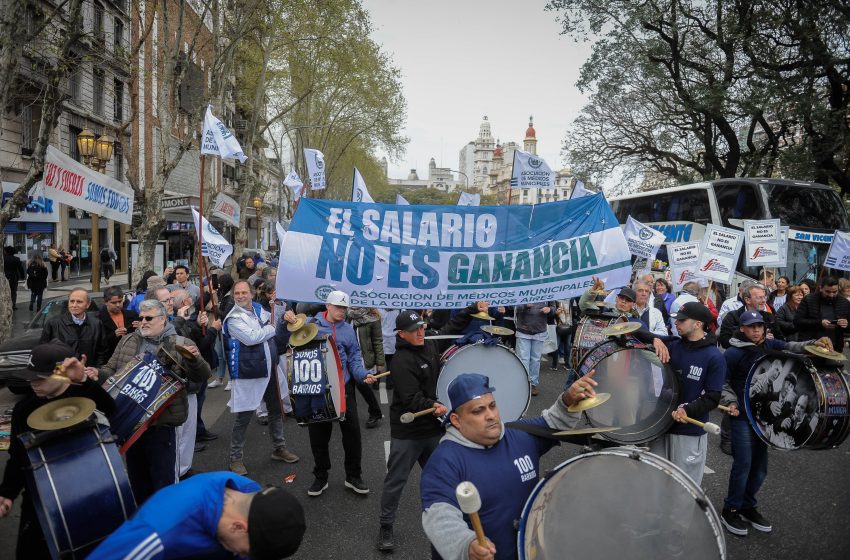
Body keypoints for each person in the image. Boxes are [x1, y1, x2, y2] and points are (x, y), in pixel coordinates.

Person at [420, 372, 593, 560]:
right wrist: (467, 545)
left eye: (492, 406)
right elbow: (439, 516)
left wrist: (568, 400)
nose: (490, 415)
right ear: (456, 420)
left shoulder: (520, 435)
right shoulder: (444, 461)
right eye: (478, 411)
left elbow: (554, 422)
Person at [376, 304, 484, 552]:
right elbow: (411, 398)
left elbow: (451, 327)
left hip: (433, 429)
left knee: (445, 475)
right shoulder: (402, 361)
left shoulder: (430, 344)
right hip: (409, 432)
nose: (420, 332)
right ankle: (386, 525)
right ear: (401, 333)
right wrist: (433, 405)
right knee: (396, 480)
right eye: (414, 330)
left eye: (421, 327)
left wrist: (471, 309)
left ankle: (463, 520)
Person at [0, 341, 116, 559]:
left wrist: (84, 380)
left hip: (88, 492)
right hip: (40, 497)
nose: (32, 382)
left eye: (40, 377)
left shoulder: (85, 395)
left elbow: (111, 410)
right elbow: (18, 455)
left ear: (62, 373)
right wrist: (7, 493)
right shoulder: (24, 409)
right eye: (30, 375)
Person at [719, 311, 828, 536]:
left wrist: (814, 343)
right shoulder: (733, 353)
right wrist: (730, 401)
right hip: (741, 416)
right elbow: (721, 381)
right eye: (752, 327)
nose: (757, 330)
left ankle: (747, 506)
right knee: (744, 465)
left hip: (763, 419)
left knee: (760, 468)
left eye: (760, 326)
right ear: (742, 329)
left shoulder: (769, 344)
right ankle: (730, 509)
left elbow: (793, 346)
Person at [95, 299, 211, 502]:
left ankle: (167, 527)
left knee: (164, 486)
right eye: (141, 318)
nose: (143, 322)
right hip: (131, 424)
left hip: (161, 425)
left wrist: (196, 360)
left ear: (163, 319)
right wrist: (95, 373)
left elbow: (201, 376)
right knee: (138, 484)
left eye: (149, 318)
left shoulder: (182, 343)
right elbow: (110, 369)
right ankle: (145, 524)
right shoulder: (128, 340)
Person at [279, 291, 377, 497]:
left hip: (344, 387)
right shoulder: (309, 324)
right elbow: (283, 340)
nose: (342, 311)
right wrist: (284, 320)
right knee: (319, 435)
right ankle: (320, 476)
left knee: (352, 435)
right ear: (328, 306)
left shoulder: (349, 330)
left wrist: (363, 375)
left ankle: (353, 476)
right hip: (318, 387)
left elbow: (354, 359)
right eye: (338, 307)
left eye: (345, 308)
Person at [88, 472, 306, 560]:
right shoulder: (156, 533)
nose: (244, 556)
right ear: (238, 527)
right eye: (246, 552)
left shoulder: (247, 490)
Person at [224, 280, 299, 476]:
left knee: (276, 411)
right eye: (237, 293)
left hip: (269, 368)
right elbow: (252, 337)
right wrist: (273, 325)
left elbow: (275, 330)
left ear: (251, 294)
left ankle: (279, 448)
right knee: (244, 416)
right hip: (249, 371)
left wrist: (280, 317)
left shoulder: (258, 309)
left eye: (244, 292)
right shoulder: (233, 318)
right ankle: (235, 458)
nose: (240, 296)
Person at [648, 302, 725, 485]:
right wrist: (655, 340)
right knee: (655, 484)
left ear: (698, 324)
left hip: (689, 431)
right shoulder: (673, 345)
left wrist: (687, 410)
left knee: (683, 489)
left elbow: (713, 398)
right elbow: (636, 332)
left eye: (682, 320)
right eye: (677, 320)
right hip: (660, 426)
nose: (677, 323)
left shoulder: (714, 357)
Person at [40, 287, 109, 366]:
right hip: (62, 375)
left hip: (87, 375)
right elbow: (43, 351)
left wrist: (96, 370)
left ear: (88, 304)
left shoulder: (96, 324)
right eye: (72, 301)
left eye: (79, 302)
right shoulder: (53, 324)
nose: (74, 305)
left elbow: (102, 352)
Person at [347, 307, 386, 428]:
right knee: (348, 388)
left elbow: (377, 341)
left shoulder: (373, 318)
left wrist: (380, 362)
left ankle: (375, 412)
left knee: (362, 386)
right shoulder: (346, 315)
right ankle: (349, 416)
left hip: (363, 359)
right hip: (347, 358)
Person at [794, 277, 850, 351]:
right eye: (828, 292)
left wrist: (846, 325)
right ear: (821, 288)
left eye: (834, 292)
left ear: (838, 289)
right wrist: (820, 323)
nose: (831, 295)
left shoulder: (844, 303)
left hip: (834, 348)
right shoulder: (809, 299)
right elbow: (797, 321)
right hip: (810, 346)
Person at [719, 283, 782, 348]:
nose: (763, 301)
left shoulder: (770, 317)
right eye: (759, 298)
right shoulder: (733, 317)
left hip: (764, 356)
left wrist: (771, 341)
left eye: (764, 297)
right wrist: (752, 338)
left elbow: (780, 339)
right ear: (747, 300)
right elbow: (724, 341)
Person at [514, 301, 556, 396]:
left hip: (540, 330)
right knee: (523, 359)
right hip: (523, 330)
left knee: (536, 359)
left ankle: (533, 383)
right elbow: (513, 306)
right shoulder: (523, 288)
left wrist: (550, 309)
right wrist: (525, 305)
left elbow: (553, 308)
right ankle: (523, 383)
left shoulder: (549, 290)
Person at [99, 286, 139, 356]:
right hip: (109, 357)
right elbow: (98, 343)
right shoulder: (98, 319)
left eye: (120, 301)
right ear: (106, 302)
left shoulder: (133, 315)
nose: (118, 305)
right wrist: (114, 335)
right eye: (114, 303)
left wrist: (141, 327)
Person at [3, 246, 25, 310]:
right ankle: (13, 304)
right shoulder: (16, 259)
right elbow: (20, 268)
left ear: (6, 251)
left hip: (5, 277)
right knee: (13, 291)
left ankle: (6, 304)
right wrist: (22, 276)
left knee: (5, 291)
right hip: (14, 277)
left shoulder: (3, 259)